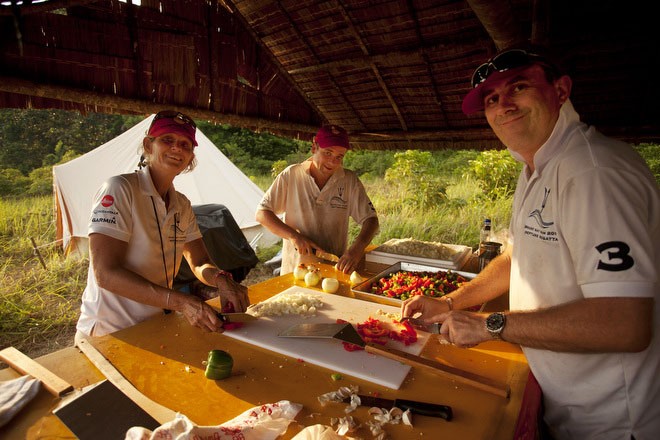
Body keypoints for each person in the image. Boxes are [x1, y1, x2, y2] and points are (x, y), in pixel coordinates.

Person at [401, 48, 659, 439]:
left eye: (517, 87)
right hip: (565, 399)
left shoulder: (593, 173)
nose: (502, 105)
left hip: (616, 418)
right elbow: (518, 255)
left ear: (560, 90)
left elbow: (625, 323)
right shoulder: (536, 165)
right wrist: (452, 302)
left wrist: (491, 324)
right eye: (491, 99)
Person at [76, 110, 250, 338]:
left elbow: (199, 262)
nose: (177, 148)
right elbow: (105, 273)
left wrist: (221, 279)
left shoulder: (182, 205)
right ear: (149, 145)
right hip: (110, 331)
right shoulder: (120, 189)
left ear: (190, 157)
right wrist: (181, 302)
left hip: (155, 324)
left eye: (185, 144)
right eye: (167, 140)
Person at [256, 125, 379, 274]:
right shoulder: (291, 175)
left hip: (334, 267)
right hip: (296, 268)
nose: (332, 162)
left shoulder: (349, 180)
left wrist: (356, 249)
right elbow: (262, 214)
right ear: (314, 148)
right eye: (328, 153)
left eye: (339, 157)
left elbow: (371, 220)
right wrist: (294, 236)